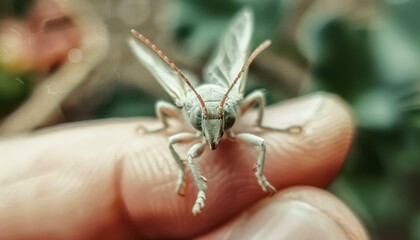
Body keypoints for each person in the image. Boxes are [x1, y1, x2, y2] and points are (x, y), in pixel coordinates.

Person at [0, 94, 368, 239]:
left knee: (264, 141)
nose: (211, 137)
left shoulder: (231, 113)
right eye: (202, 126)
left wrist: (259, 170)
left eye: (220, 123)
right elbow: (172, 121)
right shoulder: (191, 125)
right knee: (182, 151)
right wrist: (187, 177)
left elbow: (255, 101)